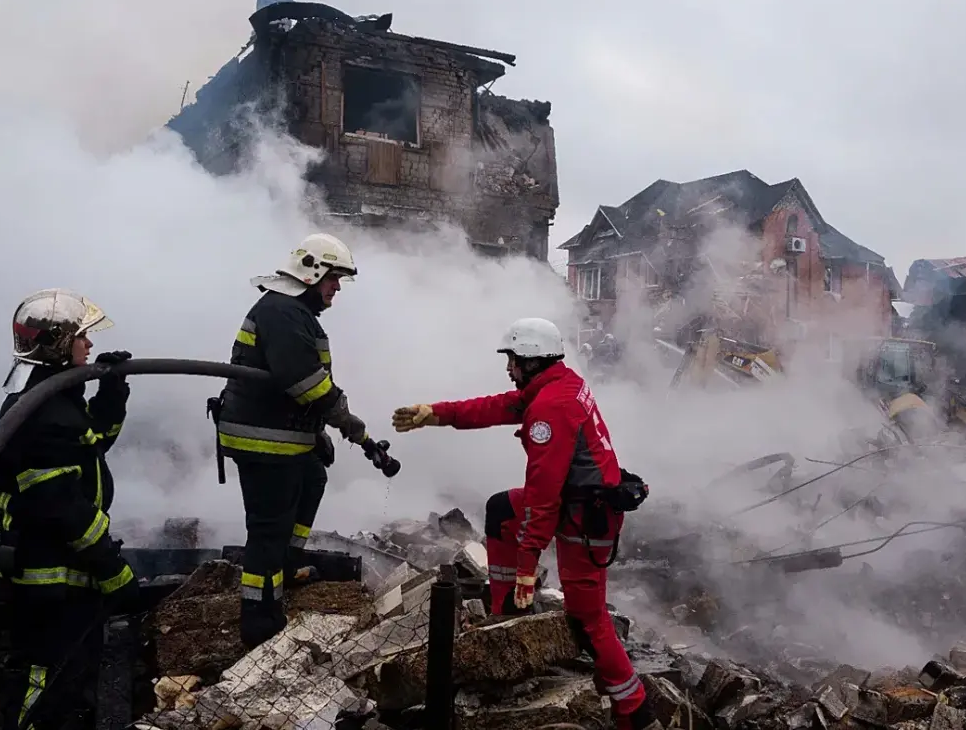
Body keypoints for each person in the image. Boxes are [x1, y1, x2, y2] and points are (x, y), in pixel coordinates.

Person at [390, 317, 661, 730]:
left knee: (587, 617)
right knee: (501, 510)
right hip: (578, 505)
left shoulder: (551, 408)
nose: (508, 368)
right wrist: (435, 414)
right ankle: (509, 616)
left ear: (533, 361)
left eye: (513, 360)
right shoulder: (555, 385)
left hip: (587, 519)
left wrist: (527, 567)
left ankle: (634, 707)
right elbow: (495, 407)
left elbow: (542, 496)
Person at [0, 288, 141, 730]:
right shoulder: (43, 411)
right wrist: (114, 571)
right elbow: (64, 510)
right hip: (51, 580)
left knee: (60, 680)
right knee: (52, 685)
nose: (90, 346)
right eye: (82, 337)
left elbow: (93, 444)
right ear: (57, 342)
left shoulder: (51, 400)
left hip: (58, 575)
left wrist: (112, 392)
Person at [215, 232, 374, 648]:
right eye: (333, 278)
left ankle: (285, 565)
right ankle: (260, 621)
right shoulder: (283, 312)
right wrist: (348, 423)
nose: (336, 288)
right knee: (267, 532)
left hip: (285, 437)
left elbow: (298, 386)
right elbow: (306, 383)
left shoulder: (293, 313)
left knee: (313, 478)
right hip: (265, 444)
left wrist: (315, 433)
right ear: (312, 272)